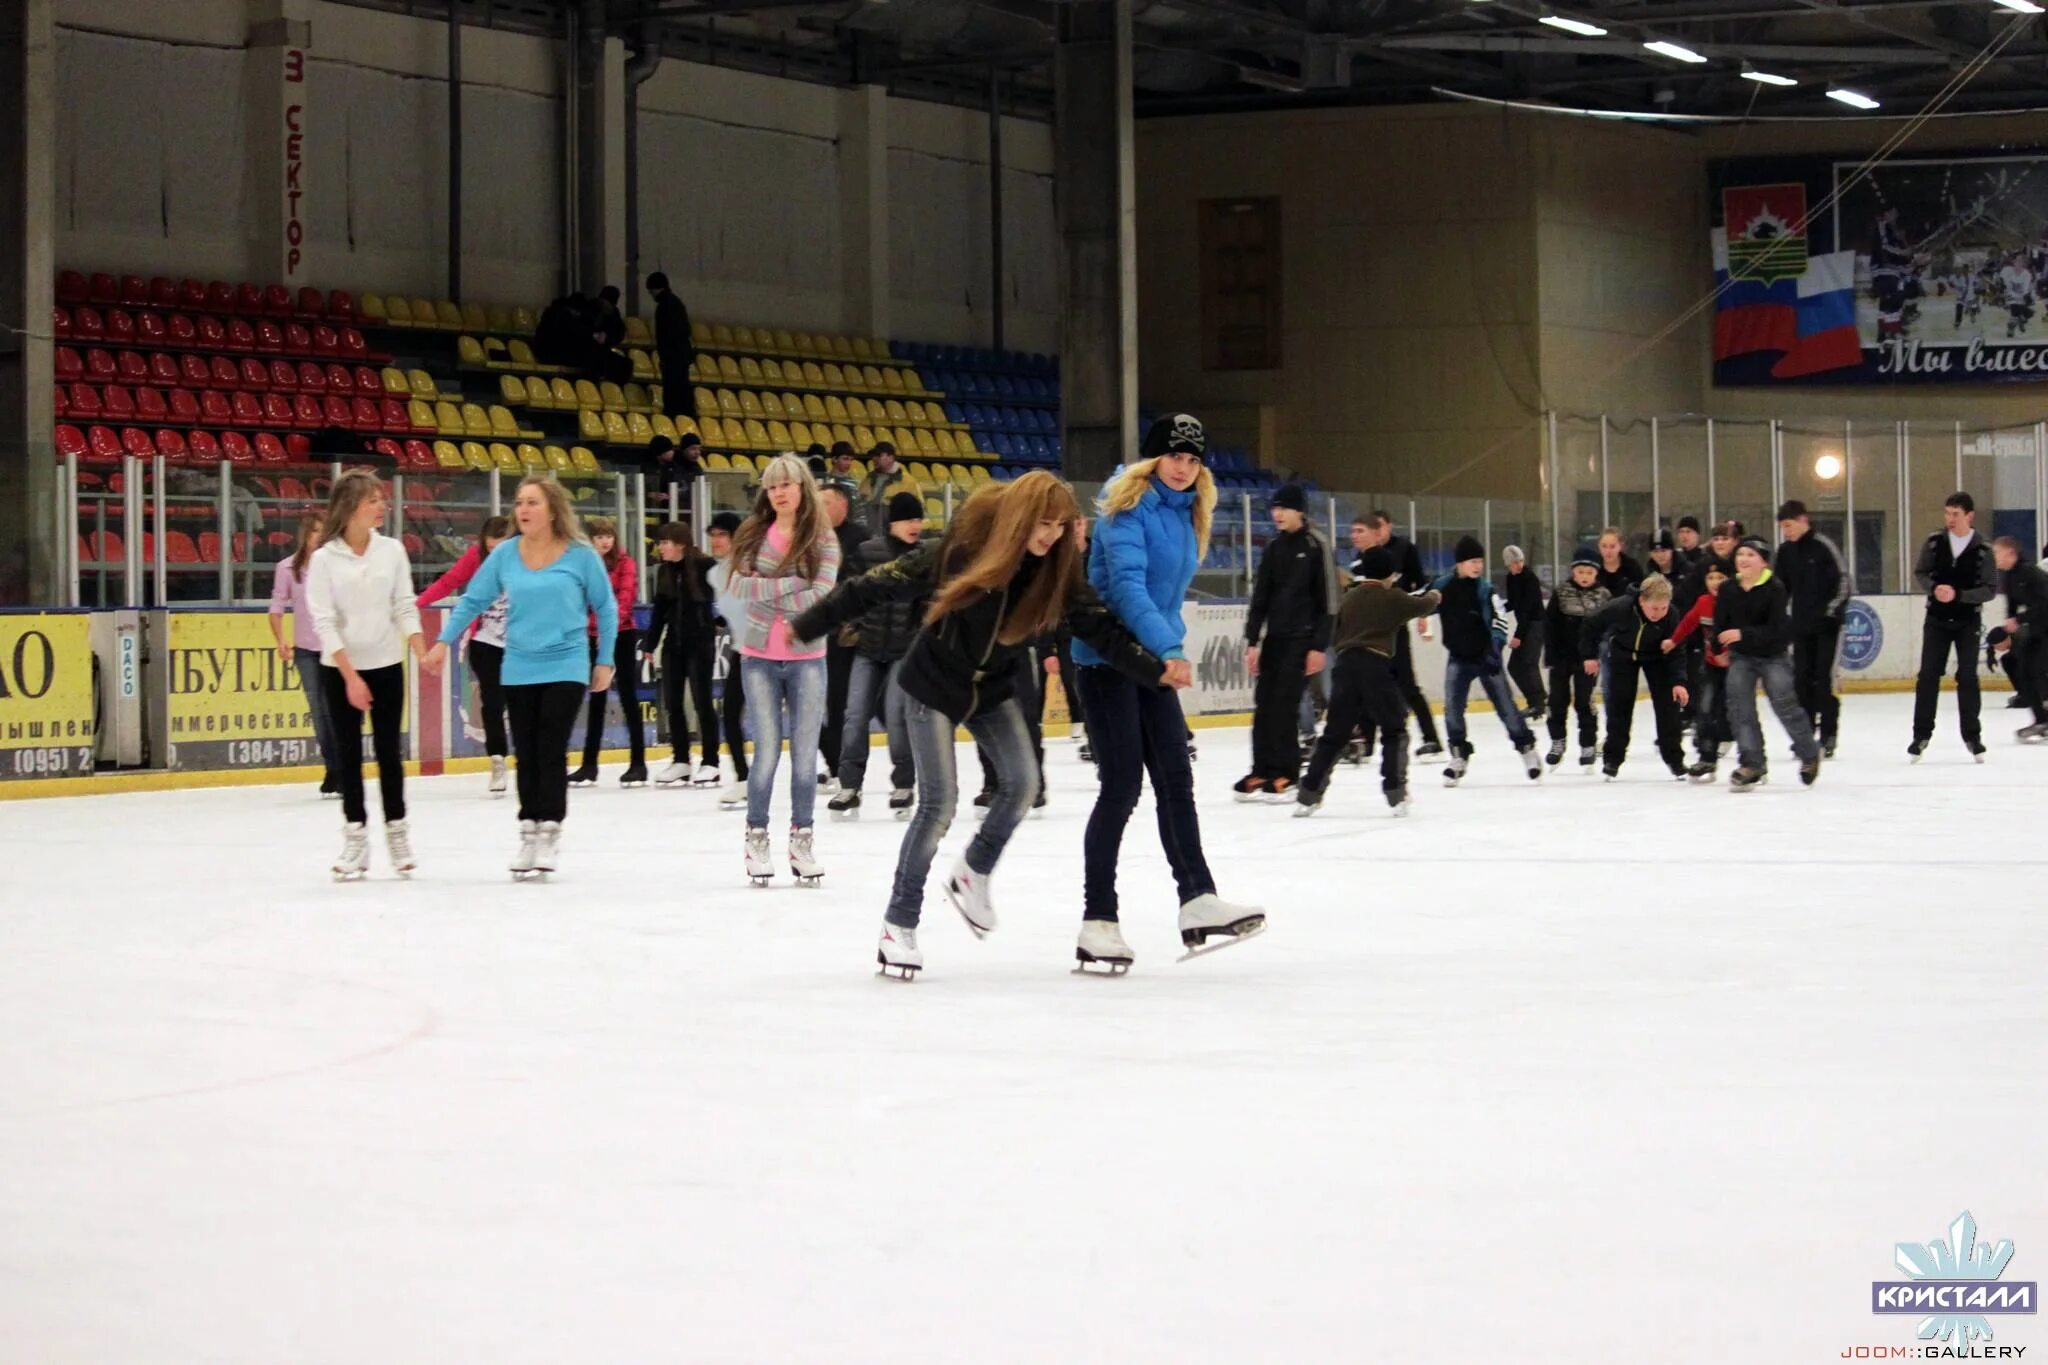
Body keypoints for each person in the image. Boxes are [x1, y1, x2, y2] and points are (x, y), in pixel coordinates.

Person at [793, 473, 1174, 980]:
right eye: (1043, 524)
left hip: (992, 689)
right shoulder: (962, 552)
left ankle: (974, 869)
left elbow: (1099, 628)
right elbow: (873, 587)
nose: (1052, 536)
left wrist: (1156, 670)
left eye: (1060, 526)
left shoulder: (1056, 573)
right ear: (1019, 518)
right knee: (938, 806)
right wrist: (805, 626)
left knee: (1022, 784)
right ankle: (898, 925)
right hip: (932, 684)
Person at [1074, 414, 1264, 973]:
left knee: (1176, 780)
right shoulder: (1124, 505)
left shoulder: (1186, 512)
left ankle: (1197, 899)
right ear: (1153, 458)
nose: (1183, 467)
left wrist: (1165, 648)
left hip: (1151, 660)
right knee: (1122, 787)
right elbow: (1129, 589)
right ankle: (1098, 920)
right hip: (1110, 661)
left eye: (1193, 459)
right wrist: (1171, 649)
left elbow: (1166, 594)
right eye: (1174, 456)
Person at [424, 476, 619, 878]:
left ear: (552, 509)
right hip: (519, 663)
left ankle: (550, 826)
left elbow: (606, 606)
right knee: (526, 751)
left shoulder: (581, 554)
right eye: (519, 503)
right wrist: (443, 641)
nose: (523, 510)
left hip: (566, 661)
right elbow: (473, 599)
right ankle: (528, 828)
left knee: (550, 745)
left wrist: (605, 659)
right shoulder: (507, 554)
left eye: (532, 502)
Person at [304, 470, 427, 879]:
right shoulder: (323, 560)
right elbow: (324, 623)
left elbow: (404, 605)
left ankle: (398, 831)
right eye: (374, 499)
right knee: (348, 756)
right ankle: (355, 837)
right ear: (352, 505)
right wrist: (350, 676)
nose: (382, 505)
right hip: (340, 670)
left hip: (387, 665)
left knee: (390, 754)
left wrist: (420, 649)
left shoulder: (392, 551)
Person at [725, 454, 841, 884]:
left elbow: (823, 593)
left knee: (806, 756)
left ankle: (802, 837)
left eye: (786, 484)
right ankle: (756, 835)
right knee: (768, 753)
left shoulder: (822, 537)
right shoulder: (754, 532)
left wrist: (769, 591)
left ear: (801, 487)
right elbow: (737, 585)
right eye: (772, 485)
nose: (779, 492)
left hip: (807, 656)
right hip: (758, 655)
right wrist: (794, 584)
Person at [1295, 545, 1441, 818]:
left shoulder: (1348, 598)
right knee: (1394, 727)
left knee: (1334, 734)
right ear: (1390, 575)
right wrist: (1435, 594)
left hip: (1345, 667)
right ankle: (1396, 792)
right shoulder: (1393, 597)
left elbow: (1334, 631)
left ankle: (1308, 793)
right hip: (1375, 666)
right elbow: (1423, 605)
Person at [826, 491, 927, 819]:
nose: (915, 525)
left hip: (904, 651)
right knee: (854, 715)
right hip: (868, 650)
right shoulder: (868, 553)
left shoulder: (925, 557)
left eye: (918, 519)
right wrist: (854, 624)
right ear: (891, 523)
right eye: (907, 519)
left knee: (897, 717)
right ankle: (850, 786)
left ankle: (903, 783)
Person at [1236, 483, 1334, 801]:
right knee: (1264, 705)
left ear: (1299, 511)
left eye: (1284, 508)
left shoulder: (1316, 545)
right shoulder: (1274, 548)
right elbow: (1260, 599)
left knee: (1285, 705)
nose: (1277, 514)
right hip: (1275, 639)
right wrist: (1252, 641)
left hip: (1303, 639)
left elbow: (1329, 603)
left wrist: (1319, 646)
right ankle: (1261, 769)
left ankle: (1287, 773)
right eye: (1274, 508)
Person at [1430, 536, 1544, 786]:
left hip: (1486, 657)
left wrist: (1494, 649)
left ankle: (1527, 750)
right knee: (1452, 708)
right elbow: (1424, 602)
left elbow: (1499, 620)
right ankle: (1459, 755)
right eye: (1473, 561)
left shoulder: (1485, 589)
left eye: (1480, 561)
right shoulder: (1443, 586)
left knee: (1507, 708)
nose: (1478, 566)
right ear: (1460, 563)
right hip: (1458, 657)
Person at [417, 514, 516, 795]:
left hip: (521, 645)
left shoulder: (528, 559)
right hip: (485, 643)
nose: (496, 556)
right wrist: (417, 603)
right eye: (491, 550)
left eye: (502, 549)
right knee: (492, 703)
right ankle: (497, 760)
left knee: (520, 703)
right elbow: (450, 581)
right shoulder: (476, 558)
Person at [1717, 537, 1820, 790]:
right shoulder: (1728, 588)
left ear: (1764, 562)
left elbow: (1777, 630)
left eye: (1751, 555)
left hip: (1772, 654)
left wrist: (1743, 634)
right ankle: (1752, 763)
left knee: (1785, 704)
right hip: (1741, 656)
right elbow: (1721, 623)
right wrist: (1717, 646)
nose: (1743, 559)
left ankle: (1809, 752)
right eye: (1740, 554)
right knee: (1740, 709)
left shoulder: (1775, 589)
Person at [1910, 491, 1995, 762]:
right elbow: (1920, 572)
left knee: (1967, 677)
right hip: (1936, 620)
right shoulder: (1934, 543)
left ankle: (1972, 736)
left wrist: (1959, 595)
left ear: (1969, 515)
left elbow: (1990, 588)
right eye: (1947, 513)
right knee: (1928, 676)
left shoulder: (1984, 549)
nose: (1950, 519)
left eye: (1955, 514)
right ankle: (1920, 735)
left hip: (1968, 621)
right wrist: (1935, 589)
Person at [1580, 573, 1688, 781]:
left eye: (1663, 608)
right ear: (1642, 600)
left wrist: (1679, 682)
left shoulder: (1672, 616)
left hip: (1658, 658)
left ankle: (1675, 760)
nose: (1658, 614)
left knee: (1668, 709)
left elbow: (1677, 650)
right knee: (1619, 706)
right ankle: (1613, 759)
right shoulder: (1621, 607)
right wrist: (1589, 656)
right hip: (1623, 655)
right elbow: (1590, 624)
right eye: (1654, 608)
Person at [1352, 511, 1443, 758]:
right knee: (1368, 684)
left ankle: (1432, 738)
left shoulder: (1404, 549)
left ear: (1388, 527)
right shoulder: (1362, 556)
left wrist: (1423, 615)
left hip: (1396, 624)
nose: (1377, 532)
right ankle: (1366, 742)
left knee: (1407, 685)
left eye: (1379, 527)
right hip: (1370, 631)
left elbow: (1421, 584)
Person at [268, 512, 342, 800]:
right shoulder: (287, 568)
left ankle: (341, 768)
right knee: (318, 709)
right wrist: (281, 640)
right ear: (305, 535)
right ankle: (333, 766)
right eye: (315, 532)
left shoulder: (336, 568)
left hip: (334, 648)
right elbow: (276, 606)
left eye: (324, 532)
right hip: (306, 650)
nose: (319, 538)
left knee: (333, 708)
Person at [641, 521, 722, 787]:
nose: (661, 548)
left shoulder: (705, 566)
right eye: (660, 542)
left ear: (680, 544)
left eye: (665, 542)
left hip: (700, 643)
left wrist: (721, 620)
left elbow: (725, 594)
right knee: (672, 702)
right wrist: (650, 645)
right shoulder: (665, 571)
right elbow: (659, 611)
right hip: (674, 644)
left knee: (701, 701)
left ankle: (711, 762)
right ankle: (681, 760)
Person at [568, 517, 647, 788]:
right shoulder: (582, 565)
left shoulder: (625, 563)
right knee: (596, 699)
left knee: (627, 696)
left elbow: (623, 600)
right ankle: (589, 765)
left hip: (621, 635)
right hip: (589, 636)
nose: (605, 541)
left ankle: (638, 763)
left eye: (609, 536)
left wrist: (607, 631)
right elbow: (577, 602)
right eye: (599, 536)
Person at [1773, 500, 1850, 758]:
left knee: (1823, 679)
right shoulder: (1785, 552)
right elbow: (1780, 589)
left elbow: (1844, 581)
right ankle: (1805, 737)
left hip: (1828, 627)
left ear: (1803, 520)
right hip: (1801, 627)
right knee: (1801, 681)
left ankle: (1828, 735)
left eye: (1789, 525)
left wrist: (1831, 611)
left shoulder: (1823, 546)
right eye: (1783, 527)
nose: (1786, 531)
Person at [816, 479, 869, 792]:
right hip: (823, 632)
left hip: (851, 635)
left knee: (845, 704)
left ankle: (844, 769)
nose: (820, 510)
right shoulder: (815, 538)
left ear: (842, 505)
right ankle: (837, 765)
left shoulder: (860, 540)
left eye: (826, 503)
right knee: (831, 703)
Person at [1667, 557, 1736, 781]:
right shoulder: (1703, 602)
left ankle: (1752, 759)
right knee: (1704, 710)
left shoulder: (1738, 601)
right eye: (1711, 577)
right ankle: (1707, 758)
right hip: (1711, 665)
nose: (1715, 582)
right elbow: (1688, 622)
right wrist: (1673, 641)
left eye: (1721, 577)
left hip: (1737, 667)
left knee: (1736, 712)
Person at [1543, 547, 1612, 767]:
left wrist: (1599, 655)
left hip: (1588, 659)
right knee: (1557, 701)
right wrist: (1551, 656)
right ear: (1573, 572)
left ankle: (1588, 744)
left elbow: (1608, 628)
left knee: (1584, 701)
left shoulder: (1603, 595)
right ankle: (1557, 741)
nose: (1584, 576)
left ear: (1596, 573)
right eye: (1580, 572)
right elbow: (1550, 625)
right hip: (1562, 657)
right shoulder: (1562, 592)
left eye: (1589, 572)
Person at [704, 511, 752, 805]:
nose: (715, 541)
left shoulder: (753, 568)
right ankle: (744, 778)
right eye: (713, 535)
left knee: (798, 714)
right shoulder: (714, 574)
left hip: (771, 650)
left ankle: (836, 769)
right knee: (731, 713)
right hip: (742, 650)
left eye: (722, 535)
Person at [1989, 536, 2048, 740]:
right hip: (2037, 628)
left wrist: (2020, 619)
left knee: (2039, 669)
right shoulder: (2009, 576)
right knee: (2024, 670)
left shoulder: (2031, 572)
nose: (1994, 557)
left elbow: (2044, 603)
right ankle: (2042, 720)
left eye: (1997, 552)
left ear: (2010, 553)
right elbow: (2012, 604)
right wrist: (2010, 622)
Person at [1499, 544, 1546, 719]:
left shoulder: (1529, 578)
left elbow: (1526, 609)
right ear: (1508, 564)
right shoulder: (1511, 578)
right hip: (1526, 624)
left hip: (1536, 624)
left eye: (1520, 561)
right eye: (1514, 562)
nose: (1518, 565)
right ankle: (1536, 700)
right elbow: (1514, 603)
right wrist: (1497, 610)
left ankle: (1539, 704)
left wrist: (1518, 636)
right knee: (1514, 667)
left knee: (1529, 664)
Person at [647, 272, 696, 421]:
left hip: (672, 357)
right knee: (682, 389)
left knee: (672, 390)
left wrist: (665, 355)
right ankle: (684, 416)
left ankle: (673, 416)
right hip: (681, 355)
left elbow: (666, 335)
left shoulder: (664, 306)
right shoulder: (676, 303)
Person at [858, 443, 922, 533]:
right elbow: (859, 505)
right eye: (873, 456)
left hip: (894, 536)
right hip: (871, 535)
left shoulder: (908, 482)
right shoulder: (869, 478)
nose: (874, 459)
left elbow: (916, 511)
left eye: (878, 455)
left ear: (890, 457)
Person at [1593, 527, 1644, 597]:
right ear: (1599, 546)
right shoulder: (1592, 566)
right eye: (1604, 546)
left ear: (1621, 546)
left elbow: (1641, 594)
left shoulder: (1632, 567)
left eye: (1612, 546)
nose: (1608, 551)